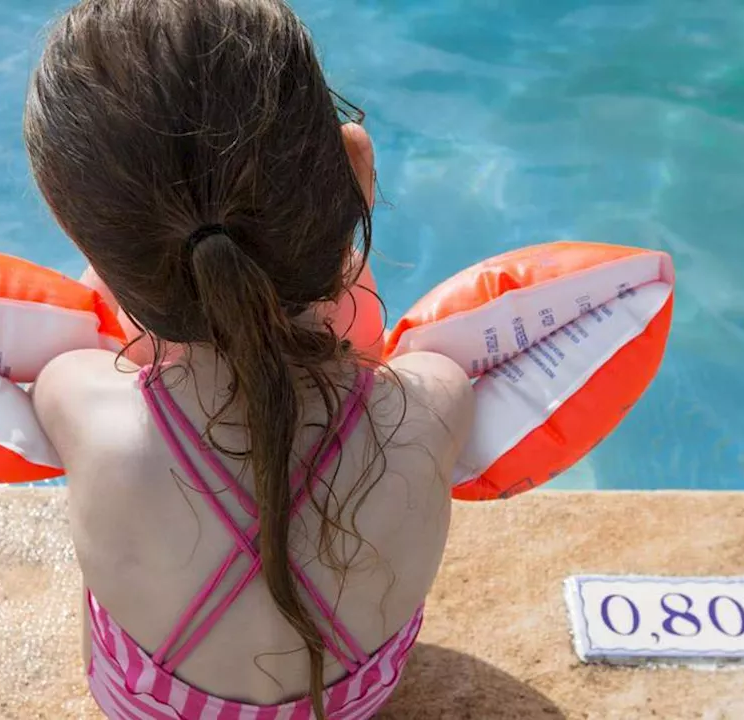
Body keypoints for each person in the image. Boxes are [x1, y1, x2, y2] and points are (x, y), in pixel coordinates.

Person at [24, 1, 474, 717]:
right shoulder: (437, 402)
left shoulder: (78, 403)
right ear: (357, 168)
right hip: (356, 702)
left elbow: (85, 344)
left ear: (85, 241)